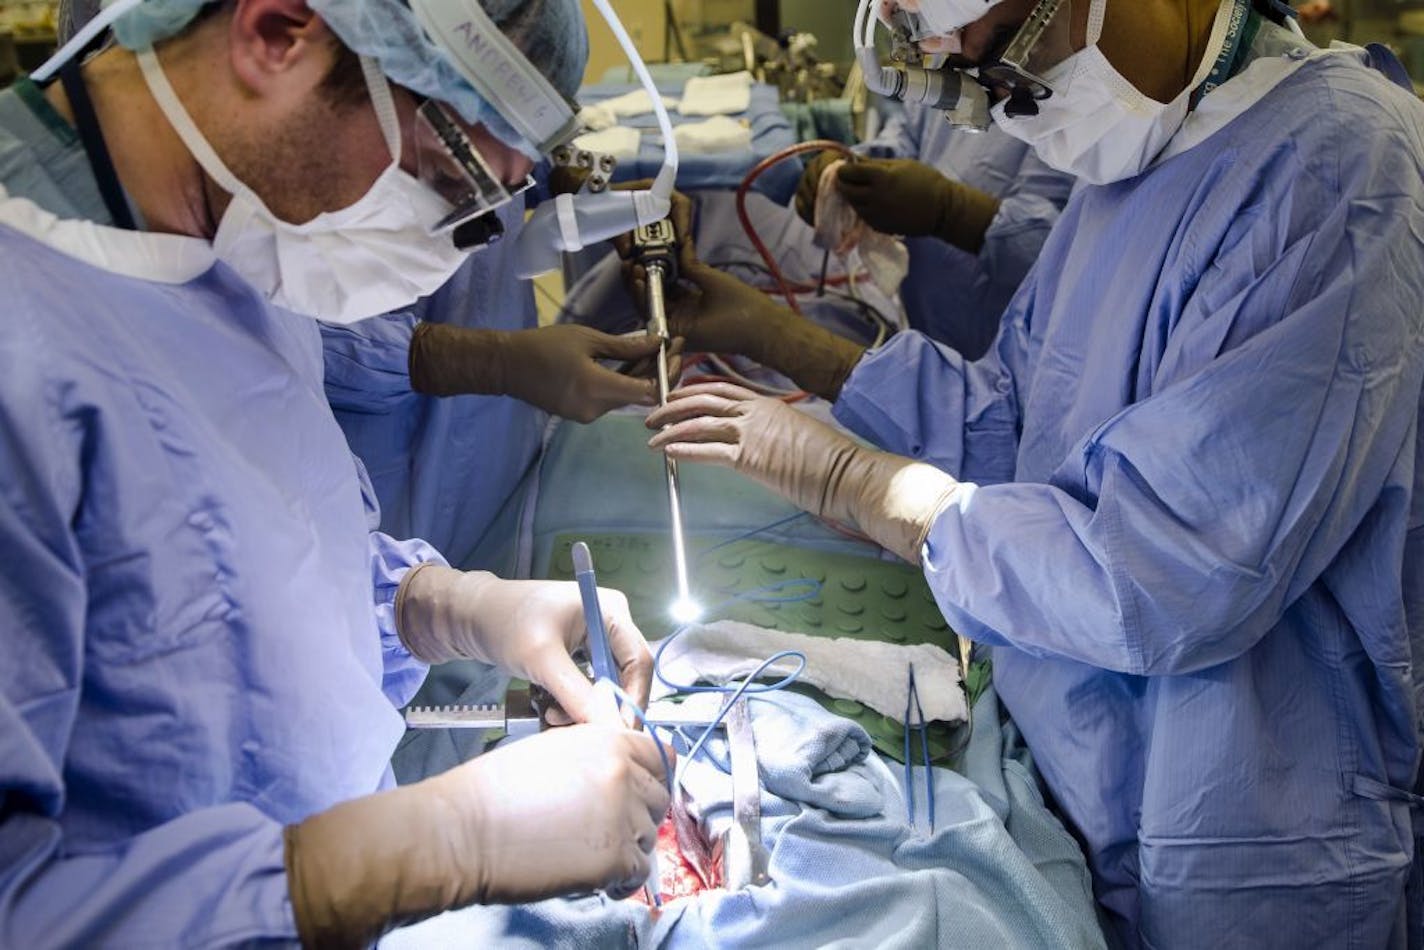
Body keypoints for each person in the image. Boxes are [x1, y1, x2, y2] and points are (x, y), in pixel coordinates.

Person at [635, 0, 1424, 945]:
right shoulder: (1150, 150)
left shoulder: (1339, 169)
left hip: (1246, 837)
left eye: (1005, 45)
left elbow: (1168, 570)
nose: (1005, 94)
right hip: (1080, 776)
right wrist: (783, 346)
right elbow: (1022, 417)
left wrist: (866, 488)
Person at [0, 0, 671, 945]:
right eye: (450, 177)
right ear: (279, 31)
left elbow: (241, 573)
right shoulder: (24, 349)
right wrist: (442, 841)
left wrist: (444, 606)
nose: (445, 245)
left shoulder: (235, 239)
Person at [794, 108, 1074, 358]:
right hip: (933, 330)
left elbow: (1067, 259)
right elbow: (907, 134)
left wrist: (957, 213)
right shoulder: (946, 60)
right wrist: (856, 170)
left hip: (1019, 352)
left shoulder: (1068, 102)